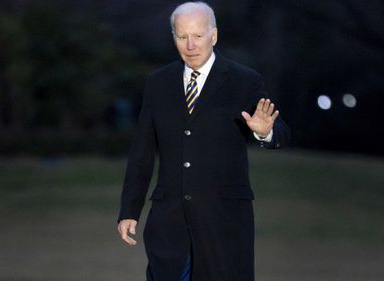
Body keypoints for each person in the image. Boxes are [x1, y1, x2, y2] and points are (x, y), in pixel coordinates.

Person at [117, 2, 290, 281]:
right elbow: (142, 152)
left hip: (224, 225)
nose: (190, 45)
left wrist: (264, 131)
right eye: (182, 36)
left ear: (214, 35)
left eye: (198, 35)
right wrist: (129, 210)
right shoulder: (158, 83)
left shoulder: (243, 80)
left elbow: (281, 132)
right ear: (173, 37)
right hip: (169, 225)